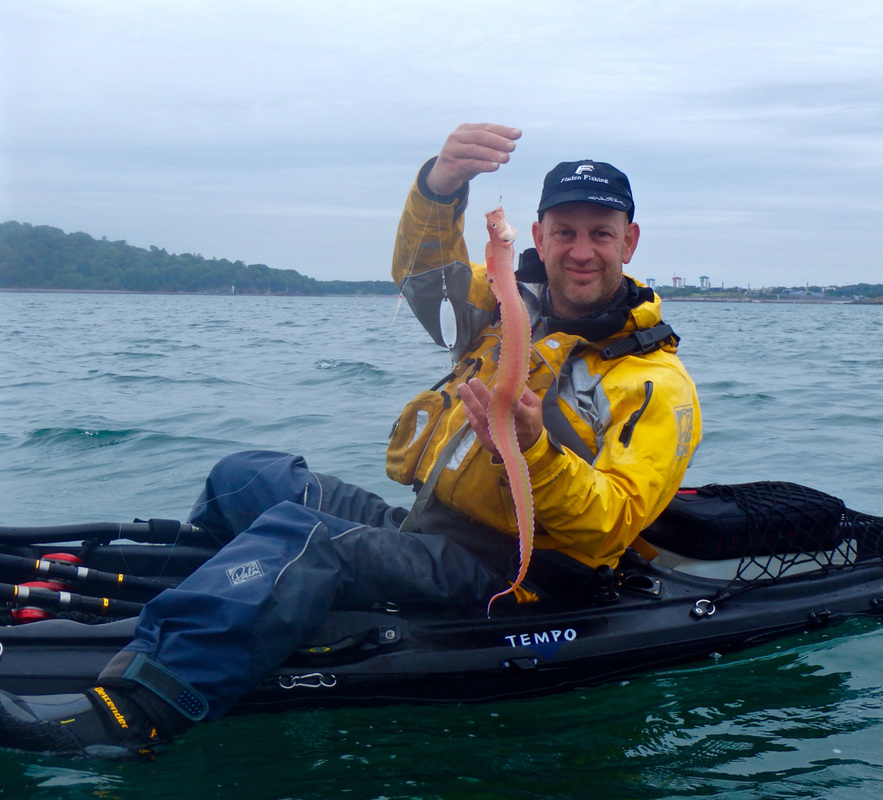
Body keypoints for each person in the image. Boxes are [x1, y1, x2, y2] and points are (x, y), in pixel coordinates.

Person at [0, 123, 702, 759]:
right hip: (429, 528)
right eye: (565, 232)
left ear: (629, 242)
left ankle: (140, 709)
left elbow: (611, 519)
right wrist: (440, 186)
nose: (581, 251)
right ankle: (216, 607)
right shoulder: (506, 306)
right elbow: (425, 276)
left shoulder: (655, 385)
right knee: (245, 476)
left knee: (303, 539)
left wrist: (534, 451)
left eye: (600, 234)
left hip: (511, 574)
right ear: (539, 237)